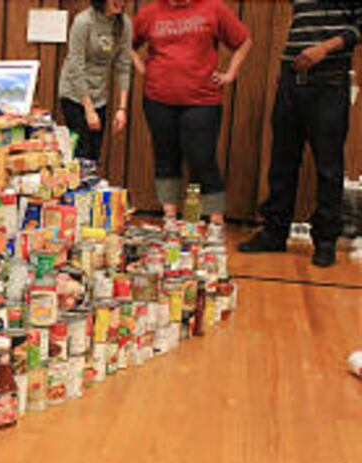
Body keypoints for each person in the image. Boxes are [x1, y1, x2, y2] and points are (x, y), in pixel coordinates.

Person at [239, 1, 362, 267]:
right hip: (291, 80)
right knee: (281, 163)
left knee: (328, 167)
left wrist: (325, 48)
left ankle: (326, 240)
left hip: (329, 82)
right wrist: (285, 71)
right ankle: (274, 232)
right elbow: (302, 25)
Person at [132, 0, 252, 237]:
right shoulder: (150, 12)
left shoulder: (213, 8)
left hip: (202, 101)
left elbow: (244, 41)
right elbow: (127, 43)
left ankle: (215, 222)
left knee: (202, 159)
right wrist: (143, 69)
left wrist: (230, 74)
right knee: (165, 157)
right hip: (158, 99)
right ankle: (169, 218)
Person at [58, 0, 132, 166]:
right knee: (81, 151)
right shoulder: (84, 21)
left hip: (99, 95)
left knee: (94, 152)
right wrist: (89, 109)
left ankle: (89, 189)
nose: (121, 2)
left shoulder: (124, 24)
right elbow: (75, 65)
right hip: (75, 94)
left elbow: (124, 66)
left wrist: (122, 108)